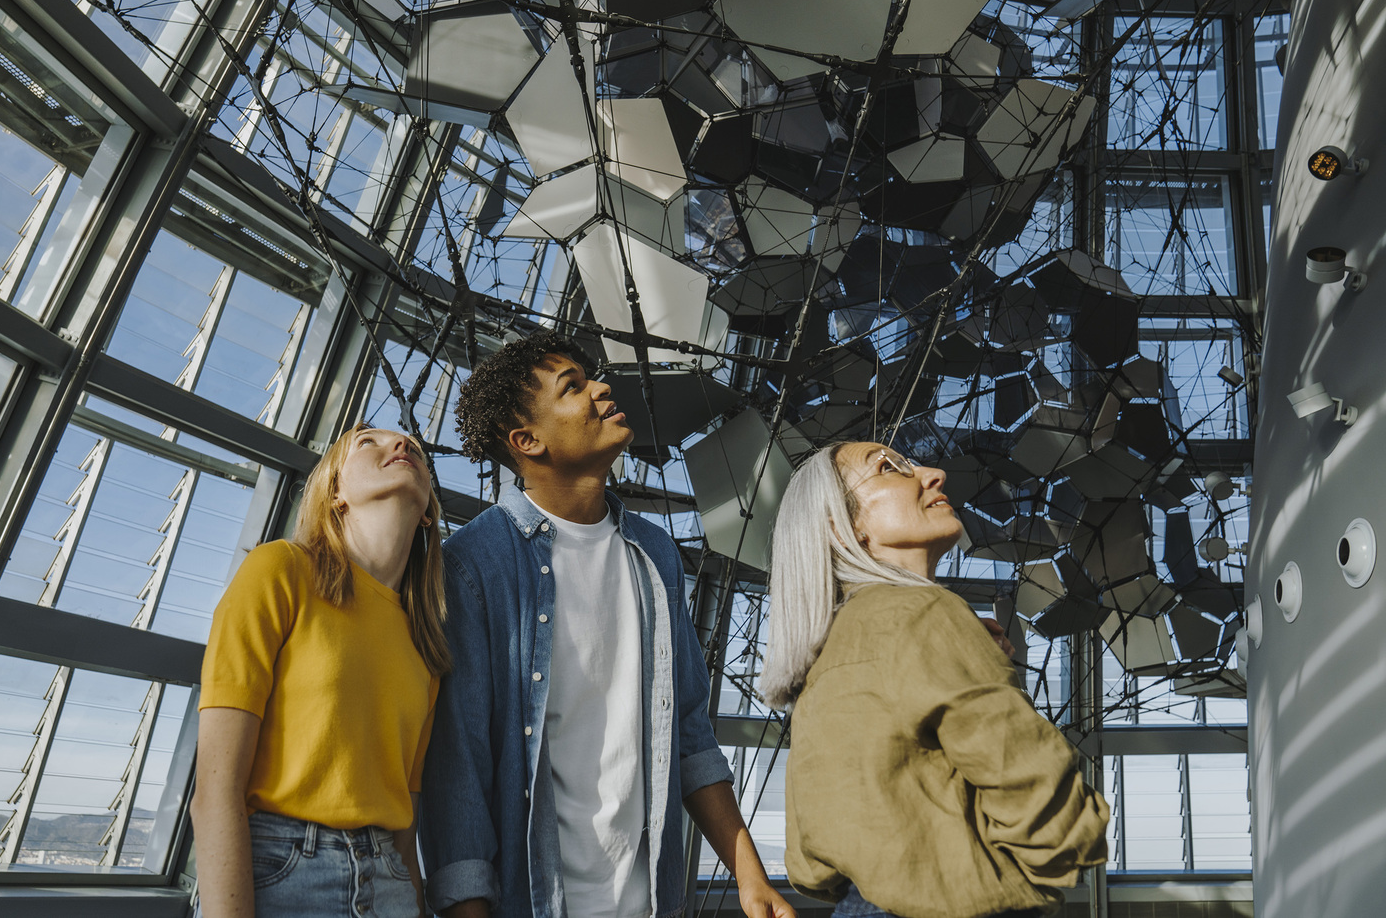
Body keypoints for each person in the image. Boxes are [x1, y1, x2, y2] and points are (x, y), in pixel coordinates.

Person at [420, 330, 795, 918]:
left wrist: (749, 874)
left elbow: (689, 730)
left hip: (650, 900)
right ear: (528, 440)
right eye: (573, 387)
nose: (601, 388)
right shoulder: (474, 564)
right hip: (536, 902)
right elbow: (458, 766)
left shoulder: (655, 554)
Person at [759, 442, 1110, 918]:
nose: (935, 474)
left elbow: (810, 859)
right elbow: (1038, 791)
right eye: (888, 468)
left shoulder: (828, 652)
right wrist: (1032, 878)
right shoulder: (923, 614)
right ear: (845, 528)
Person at [192, 424, 451, 918]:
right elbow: (215, 792)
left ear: (427, 514)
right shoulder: (280, 570)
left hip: (391, 881)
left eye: (413, 448)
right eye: (369, 442)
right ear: (335, 492)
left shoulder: (426, 644)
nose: (401, 446)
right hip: (280, 870)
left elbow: (406, 827)